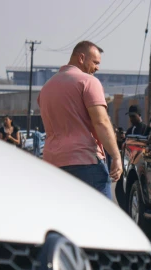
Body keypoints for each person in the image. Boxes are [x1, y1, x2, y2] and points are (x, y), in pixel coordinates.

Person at [38, 40, 122, 198]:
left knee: (63, 219)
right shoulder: (88, 82)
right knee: (99, 218)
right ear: (81, 58)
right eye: (95, 62)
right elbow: (101, 122)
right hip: (85, 162)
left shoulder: (46, 87)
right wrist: (116, 156)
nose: (97, 68)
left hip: (52, 163)